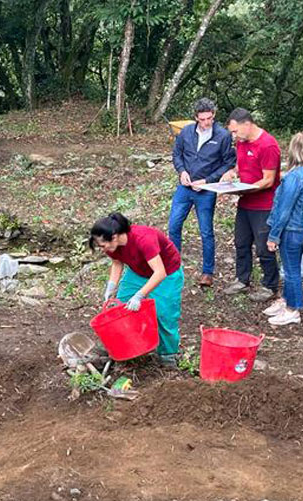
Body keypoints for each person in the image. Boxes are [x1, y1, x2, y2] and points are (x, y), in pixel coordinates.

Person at [89, 212, 184, 364]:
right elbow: (117, 262)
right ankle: (133, 345)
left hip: (167, 273)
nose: (102, 249)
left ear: (114, 236)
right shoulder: (111, 246)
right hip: (138, 270)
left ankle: (168, 355)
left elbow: (160, 273)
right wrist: (110, 287)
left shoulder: (144, 239)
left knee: (163, 313)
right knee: (121, 307)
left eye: (102, 245)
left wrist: (140, 295)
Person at [168, 97, 236, 288]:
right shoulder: (186, 131)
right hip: (185, 187)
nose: (206, 122)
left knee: (206, 231)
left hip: (206, 190)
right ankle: (173, 267)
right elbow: (177, 154)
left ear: (214, 115)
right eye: (202, 119)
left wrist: (208, 180)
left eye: (209, 118)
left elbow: (228, 163)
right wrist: (182, 172)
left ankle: (207, 272)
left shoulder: (222, 136)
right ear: (196, 118)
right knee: (173, 226)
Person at [263, 131, 303, 326]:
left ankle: (293, 309)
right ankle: (286, 300)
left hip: (291, 229)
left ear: (294, 150)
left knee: (291, 270)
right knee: (293, 267)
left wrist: (274, 235)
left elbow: (284, 210)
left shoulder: (294, 177)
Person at [219, 108, 281, 302]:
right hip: (245, 203)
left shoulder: (268, 145)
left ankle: (270, 285)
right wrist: (231, 173)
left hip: (264, 205)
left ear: (247, 124)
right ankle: (242, 279)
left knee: (263, 247)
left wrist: (246, 189)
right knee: (241, 242)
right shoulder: (241, 142)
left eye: (235, 131)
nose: (233, 135)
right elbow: (242, 165)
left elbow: (269, 180)